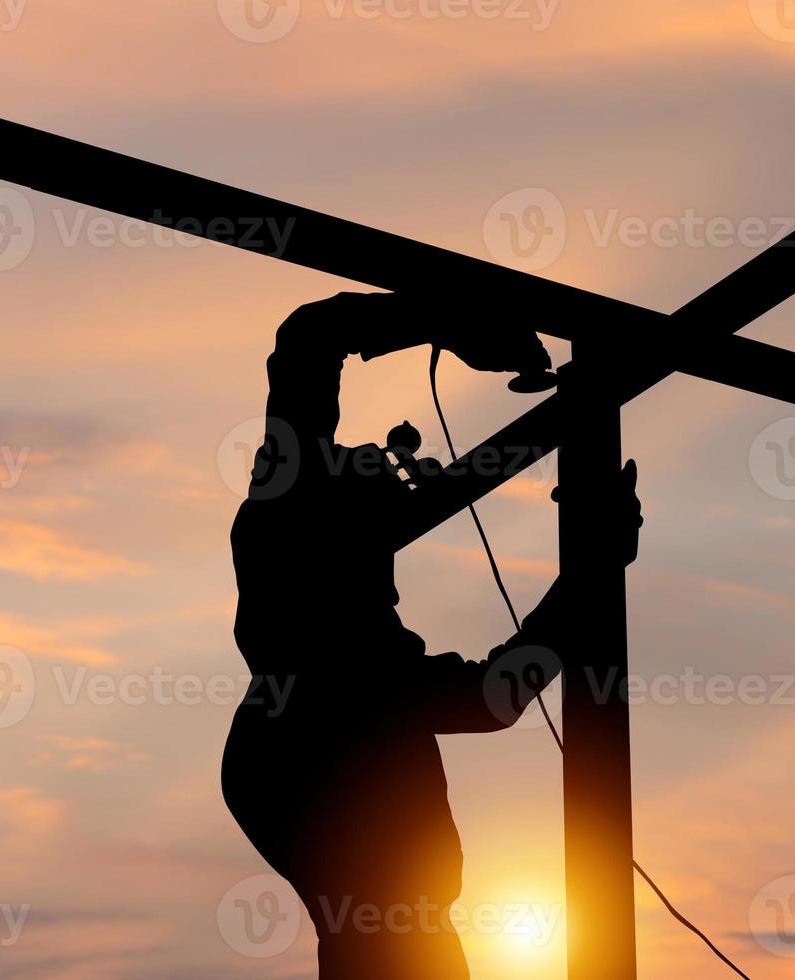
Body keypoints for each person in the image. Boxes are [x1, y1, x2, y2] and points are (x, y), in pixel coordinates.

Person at [222, 291, 642, 978]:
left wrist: (448, 320)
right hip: (312, 783)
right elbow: (310, 336)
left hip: (312, 802)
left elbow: (489, 696)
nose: (382, 461)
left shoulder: (345, 629)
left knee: (390, 923)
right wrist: (449, 316)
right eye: (373, 466)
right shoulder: (292, 524)